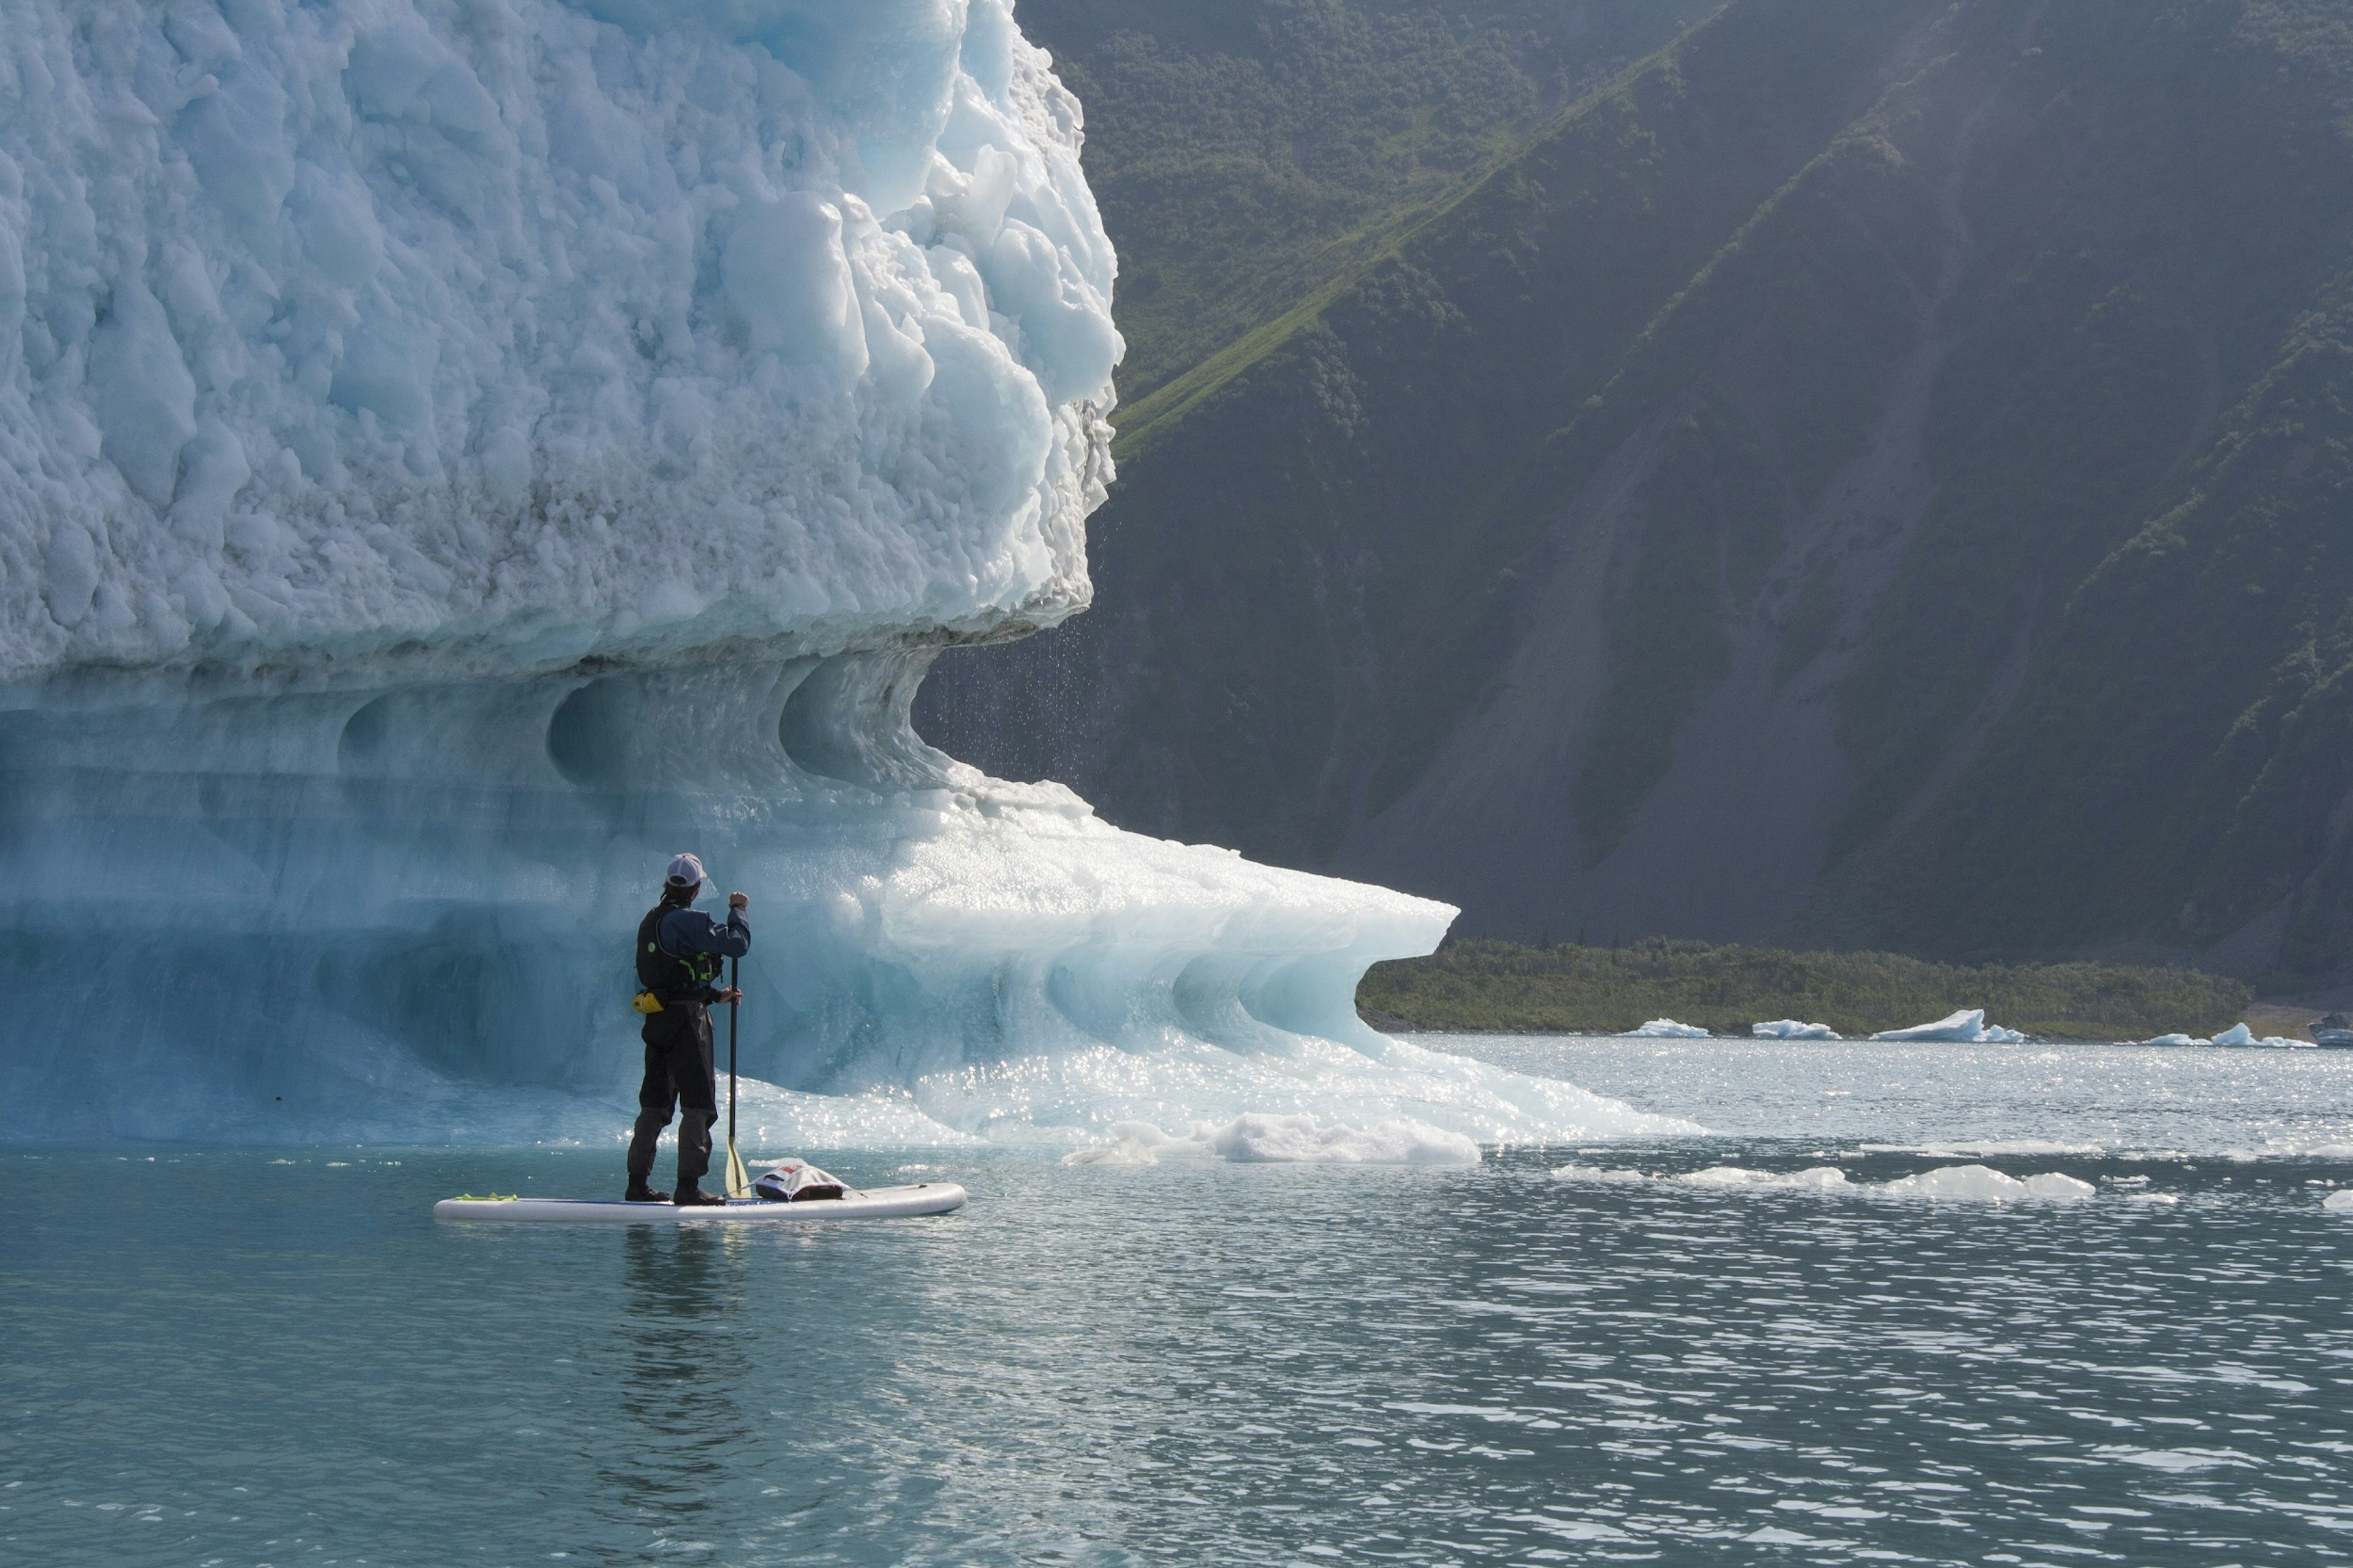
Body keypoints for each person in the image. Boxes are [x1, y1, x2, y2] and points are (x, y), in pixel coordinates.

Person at [625, 852, 751, 1205]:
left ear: (669, 884)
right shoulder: (686, 921)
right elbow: (737, 944)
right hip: (686, 1024)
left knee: (655, 1103)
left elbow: (673, 977)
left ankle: (637, 1185)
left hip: (659, 1019)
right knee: (698, 1103)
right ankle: (688, 1187)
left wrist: (715, 995)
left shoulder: (652, 920)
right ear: (695, 889)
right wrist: (738, 910)